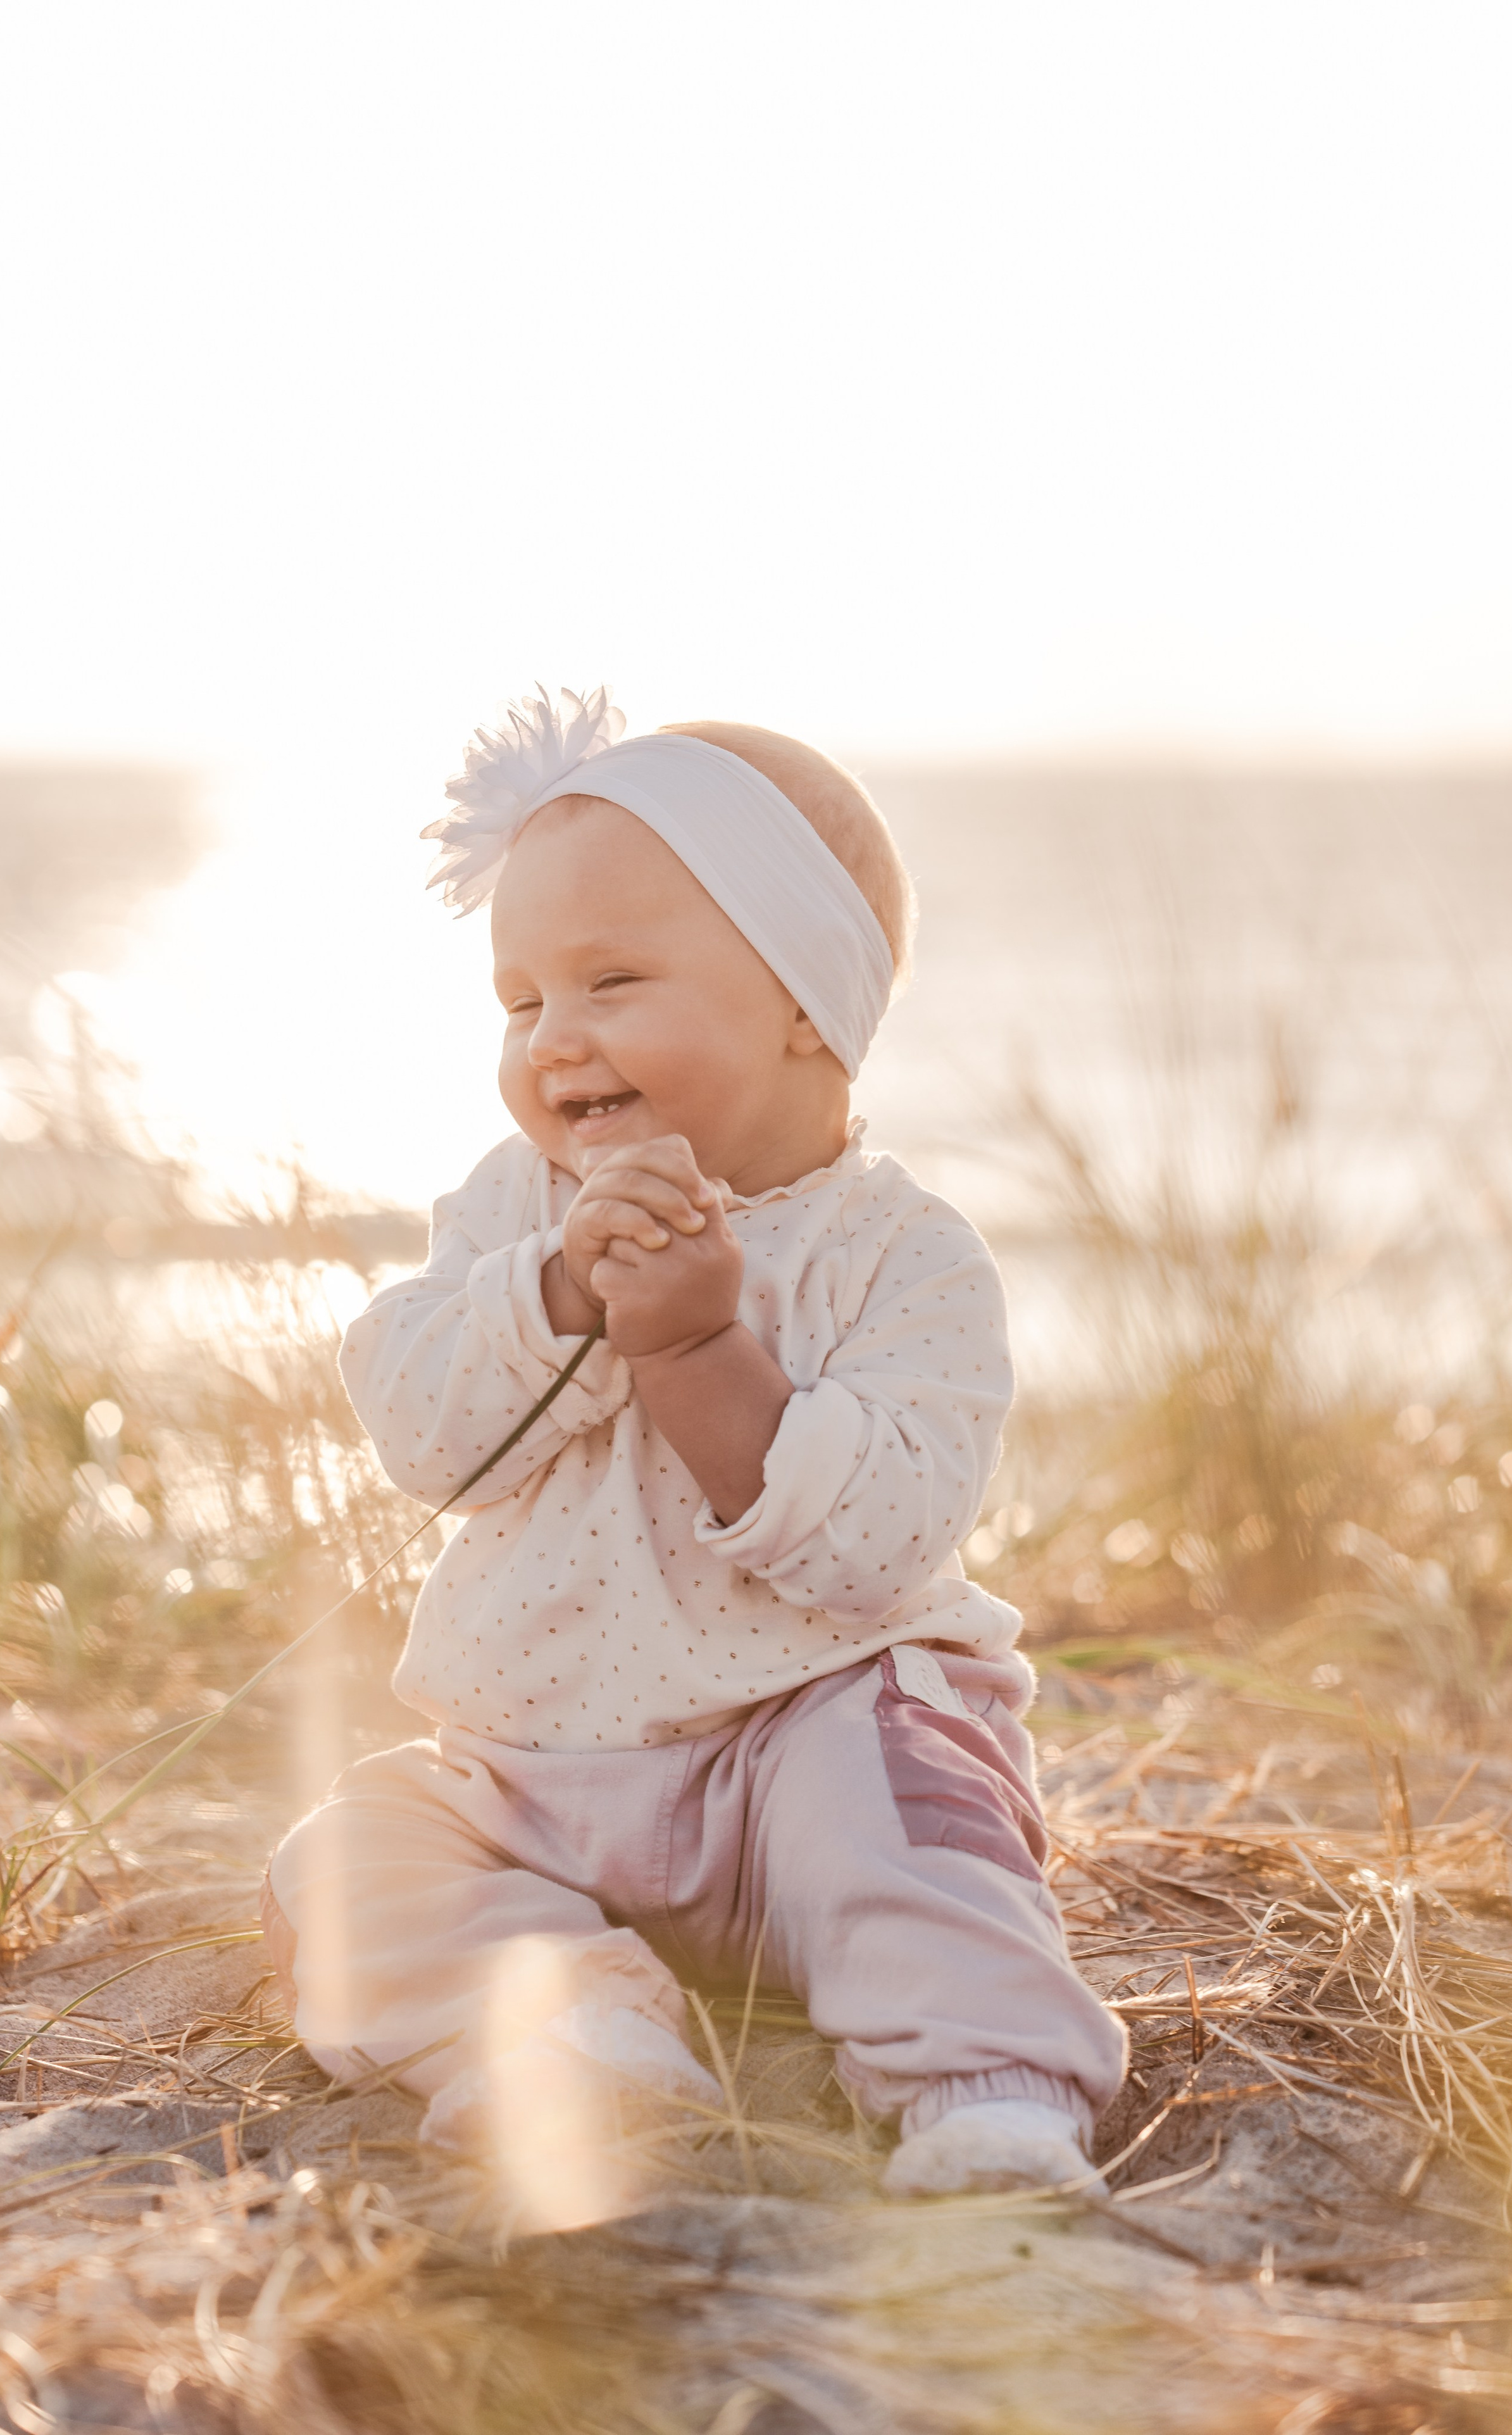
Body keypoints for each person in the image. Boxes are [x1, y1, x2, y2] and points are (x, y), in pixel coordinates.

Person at [261, 685, 1126, 2212]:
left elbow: (872, 1544)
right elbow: (421, 1431)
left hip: (796, 1751)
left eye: (611, 980)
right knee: (340, 1866)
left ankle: (982, 2093)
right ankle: (583, 2032)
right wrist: (549, 1298)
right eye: (521, 1001)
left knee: (912, 1818)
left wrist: (693, 1353)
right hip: (532, 1778)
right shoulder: (516, 1210)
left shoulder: (900, 1257)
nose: (557, 1041)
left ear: (803, 1002)